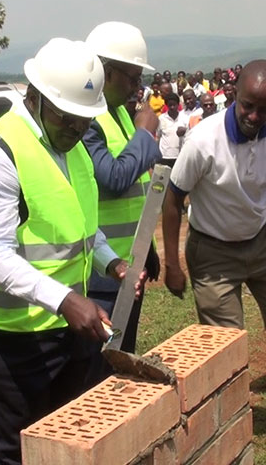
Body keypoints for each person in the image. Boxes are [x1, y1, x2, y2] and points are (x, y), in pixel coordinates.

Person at [0, 38, 142, 465]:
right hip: (12, 332)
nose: (77, 130)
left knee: (69, 429)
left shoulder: (73, 149)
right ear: (35, 96)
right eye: (67, 118)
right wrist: (65, 300)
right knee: (20, 442)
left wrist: (109, 261)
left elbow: (82, 228)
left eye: (84, 120)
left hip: (65, 324)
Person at [162, 59, 266, 393]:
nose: (253, 116)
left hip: (261, 243)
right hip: (213, 253)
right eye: (247, 106)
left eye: (263, 109)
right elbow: (173, 200)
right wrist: (173, 264)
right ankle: (232, 431)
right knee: (226, 346)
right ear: (234, 95)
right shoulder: (203, 141)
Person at [82, 21, 161, 355]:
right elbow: (113, 179)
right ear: (105, 70)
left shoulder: (117, 113)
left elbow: (137, 185)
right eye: (131, 77)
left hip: (127, 262)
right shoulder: (85, 120)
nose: (136, 87)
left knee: (124, 350)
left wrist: (148, 247)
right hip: (101, 270)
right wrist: (144, 134)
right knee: (103, 363)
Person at [158, 89, 186, 167]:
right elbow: (158, 137)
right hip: (164, 156)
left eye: (174, 105)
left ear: (178, 104)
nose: (172, 107)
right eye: (170, 105)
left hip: (180, 156)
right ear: (167, 105)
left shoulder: (183, 117)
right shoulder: (161, 118)